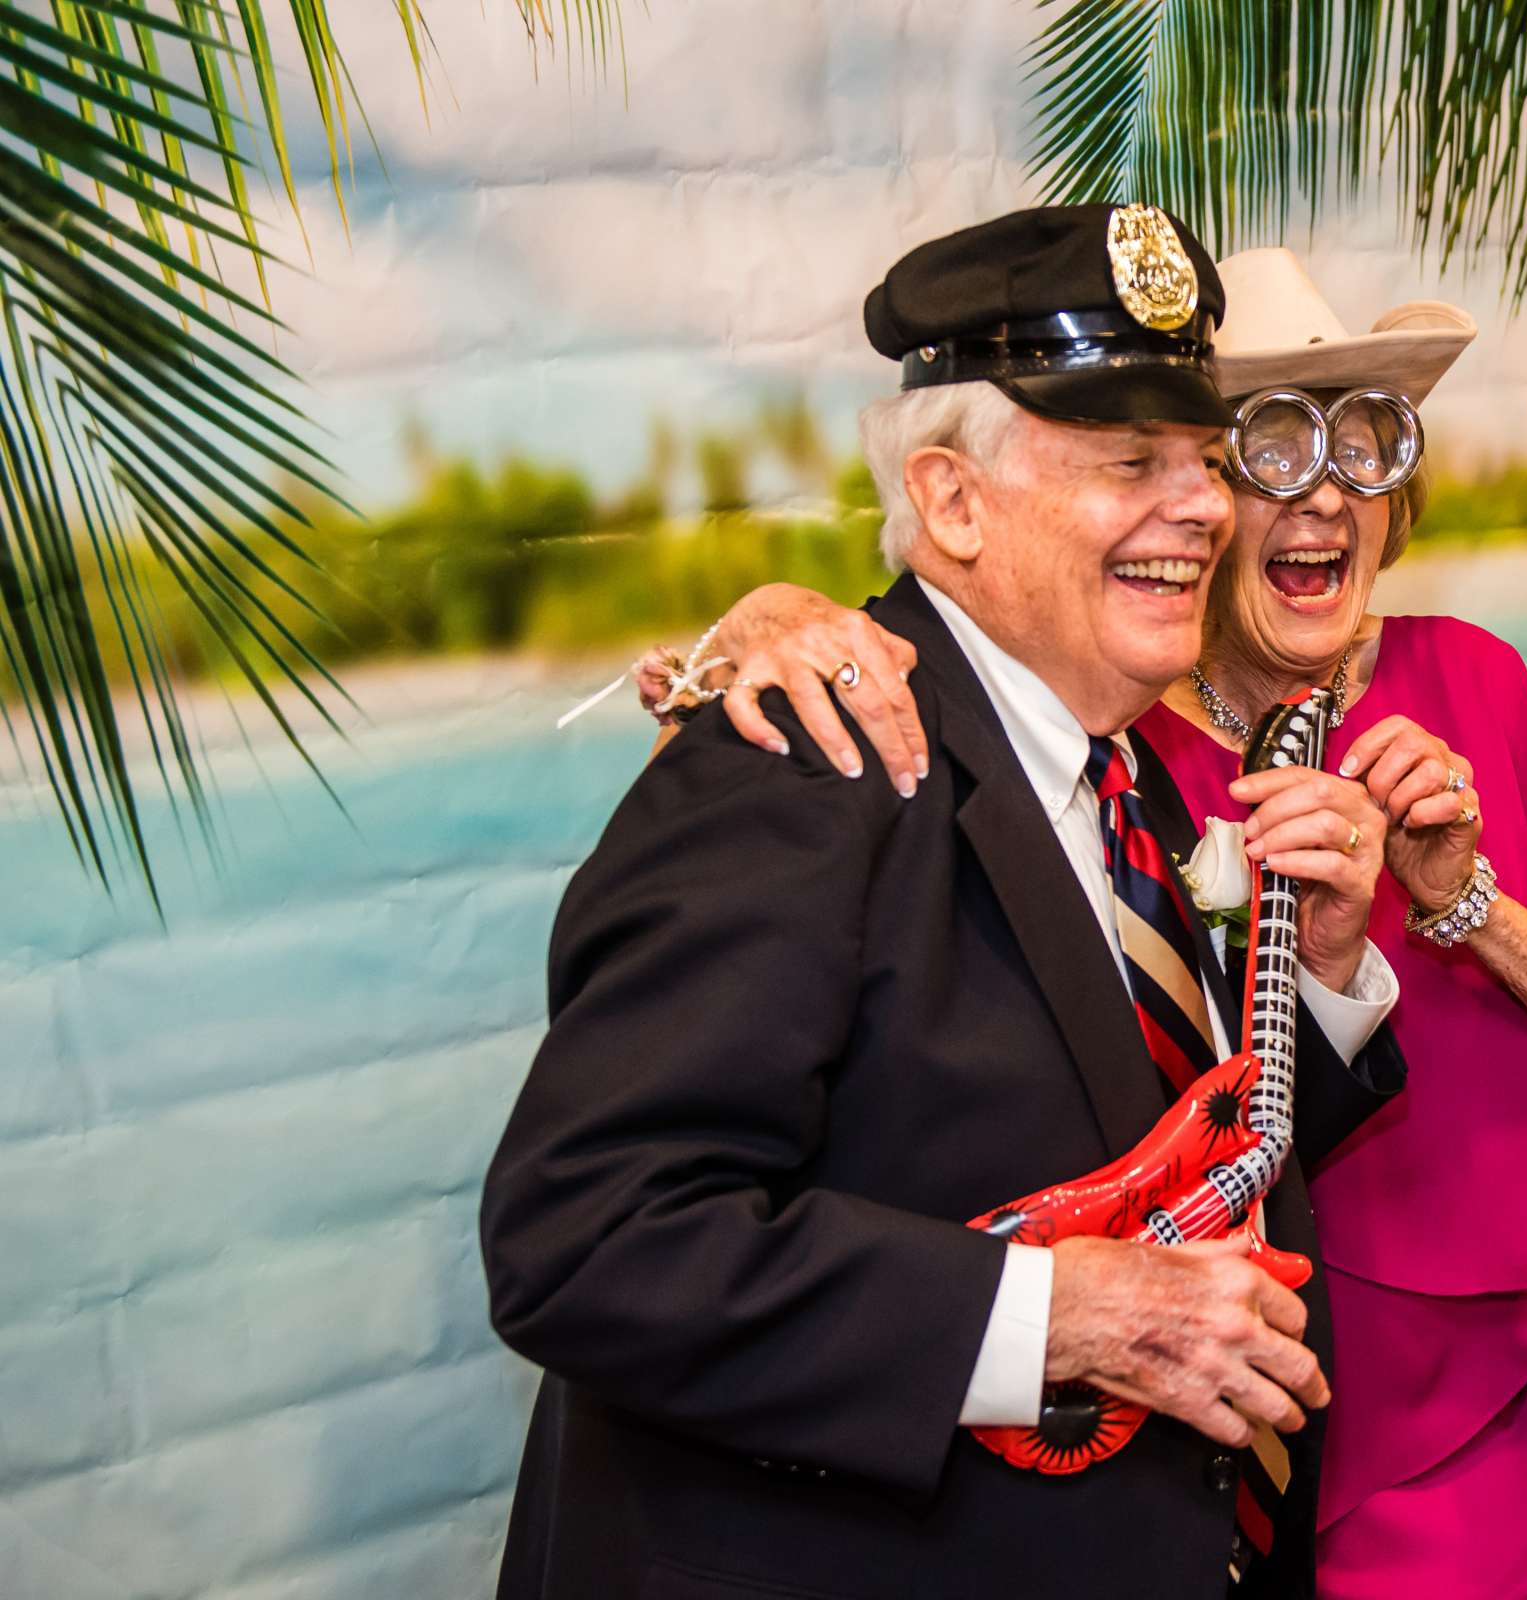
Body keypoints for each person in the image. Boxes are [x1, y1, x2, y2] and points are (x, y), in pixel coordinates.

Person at [667, 247, 1527, 1597]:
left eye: (1364, 449)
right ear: (1196, 514)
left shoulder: (1467, 678)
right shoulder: (1108, 751)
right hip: (1333, 1399)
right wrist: (774, 620)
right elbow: (941, 653)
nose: (1325, 494)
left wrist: (1462, 899)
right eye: (1265, 452)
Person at [482, 207, 1410, 1600]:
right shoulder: (803, 757)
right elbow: (590, 1239)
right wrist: (1056, 1318)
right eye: (1129, 462)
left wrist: (1324, 980)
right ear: (954, 502)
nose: (1207, 506)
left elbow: (1165, 1150)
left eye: (1205, 462)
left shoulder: (1118, 773)